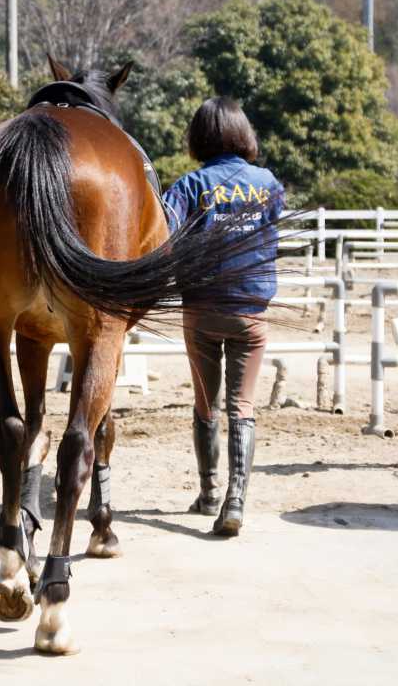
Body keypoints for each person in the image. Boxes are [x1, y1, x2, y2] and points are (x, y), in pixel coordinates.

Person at [162, 97, 285, 537]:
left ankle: (209, 491)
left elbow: (165, 235)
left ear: (199, 137)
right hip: (251, 310)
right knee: (242, 406)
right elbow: (273, 233)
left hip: (201, 309)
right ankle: (235, 501)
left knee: (205, 403)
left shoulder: (189, 185)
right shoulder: (268, 183)